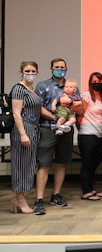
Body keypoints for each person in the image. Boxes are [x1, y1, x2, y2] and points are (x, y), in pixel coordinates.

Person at [34, 58, 81, 215]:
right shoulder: (43, 85)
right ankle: (39, 199)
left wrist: (70, 114)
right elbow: (38, 108)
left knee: (62, 163)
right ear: (51, 68)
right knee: (44, 164)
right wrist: (56, 119)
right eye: (57, 67)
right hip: (47, 128)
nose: (60, 69)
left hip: (66, 130)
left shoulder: (72, 87)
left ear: (66, 69)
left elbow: (78, 108)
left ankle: (56, 195)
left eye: (62, 67)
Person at [10, 62, 51, 213]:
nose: (30, 73)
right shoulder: (19, 89)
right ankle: (19, 199)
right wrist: (22, 134)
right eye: (27, 70)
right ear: (21, 72)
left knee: (28, 164)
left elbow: (39, 109)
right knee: (20, 164)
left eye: (33, 71)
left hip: (34, 128)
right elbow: (16, 113)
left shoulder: (32, 90)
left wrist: (55, 117)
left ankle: (21, 197)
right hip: (24, 128)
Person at [78, 72, 102, 201]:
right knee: (87, 163)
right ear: (90, 82)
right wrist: (84, 127)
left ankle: (91, 188)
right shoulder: (86, 96)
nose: (97, 83)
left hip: (101, 133)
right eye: (94, 81)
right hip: (88, 134)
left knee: (95, 163)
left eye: (99, 81)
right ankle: (86, 191)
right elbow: (79, 114)